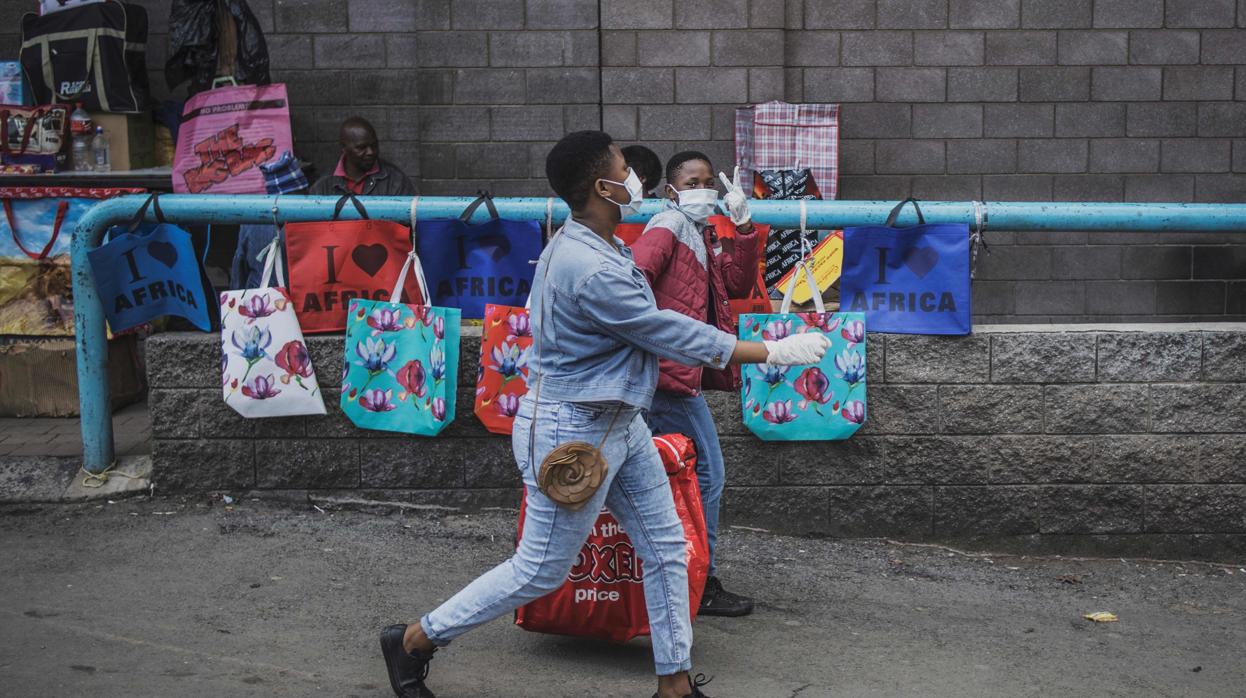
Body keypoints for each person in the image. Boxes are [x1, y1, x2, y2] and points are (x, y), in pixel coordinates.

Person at [378, 131, 831, 698]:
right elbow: (664, 329)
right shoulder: (588, 265)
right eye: (624, 167)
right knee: (540, 569)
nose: (634, 176)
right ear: (602, 186)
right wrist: (770, 350)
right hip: (572, 433)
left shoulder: (600, 244)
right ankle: (416, 639)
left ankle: (675, 685)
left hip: (620, 423)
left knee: (667, 551)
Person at [629, 151, 767, 618]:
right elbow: (633, 279)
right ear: (672, 190)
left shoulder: (699, 232)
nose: (705, 188)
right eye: (694, 181)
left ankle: (671, 575)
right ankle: (701, 582)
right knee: (707, 473)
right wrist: (657, 338)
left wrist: (744, 227)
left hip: (670, 372)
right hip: (667, 376)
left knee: (663, 476)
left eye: (710, 181)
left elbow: (736, 282)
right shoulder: (668, 226)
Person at [309, 116, 416, 197]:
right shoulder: (323, 185)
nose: (370, 152)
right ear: (344, 148)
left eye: (374, 145)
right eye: (362, 147)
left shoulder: (395, 180)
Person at [615, 144, 664, 246]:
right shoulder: (610, 209)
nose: (614, 178)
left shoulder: (665, 211)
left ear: (641, 178)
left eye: (623, 171)